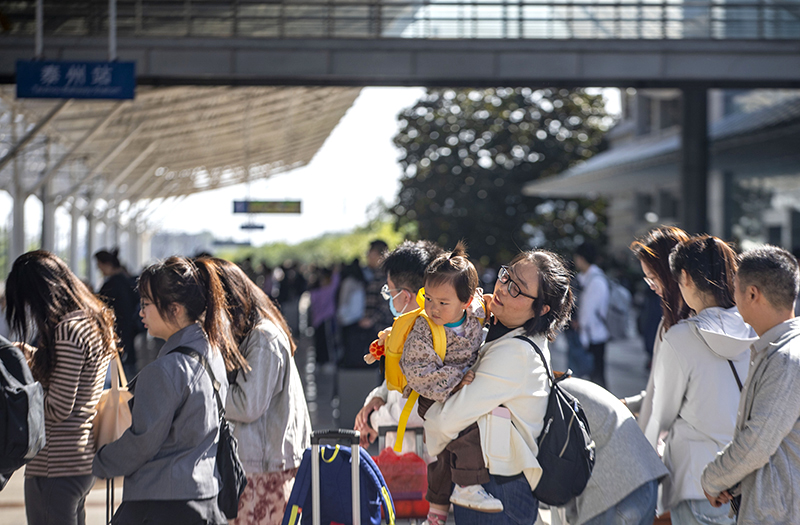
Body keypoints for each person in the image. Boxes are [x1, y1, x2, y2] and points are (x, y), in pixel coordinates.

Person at [423, 249, 575, 525]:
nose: (503, 288)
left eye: (517, 289)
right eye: (506, 277)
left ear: (541, 309)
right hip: (495, 487)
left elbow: (446, 422)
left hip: (498, 490)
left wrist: (428, 431)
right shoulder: (509, 336)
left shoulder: (517, 354)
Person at [93, 256, 241, 524]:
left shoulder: (164, 370)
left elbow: (141, 444)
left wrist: (97, 461)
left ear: (174, 309)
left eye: (146, 304)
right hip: (205, 497)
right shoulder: (212, 352)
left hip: (161, 504)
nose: (141, 313)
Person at [644, 236, 757, 525]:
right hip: (745, 479)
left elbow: (662, 415)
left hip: (696, 480)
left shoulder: (680, 338)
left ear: (684, 277)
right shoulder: (755, 328)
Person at [4, 250, 117, 525]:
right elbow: (74, 378)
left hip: (54, 465)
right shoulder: (93, 320)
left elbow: (58, 406)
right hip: (78, 460)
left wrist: (16, 400)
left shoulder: (67, 329)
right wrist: (31, 356)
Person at [393, 242, 495, 520]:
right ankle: (467, 485)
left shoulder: (477, 313)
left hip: (462, 388)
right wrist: (457, 378)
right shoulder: (423, 329)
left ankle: (436, 511)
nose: (433, 309)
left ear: (467, 301)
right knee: (464, 432)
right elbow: (416, 370)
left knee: (445, 457)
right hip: (433, 392)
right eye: (429, 299)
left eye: (443, 303)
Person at [701, 246, 800, 524]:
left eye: (735, 289)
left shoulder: (786, 358)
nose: (734, 298)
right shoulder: (780, 349)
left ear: (752, 293)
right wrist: (731, 483)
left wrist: (713, 478)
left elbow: (757, 441)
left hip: (779, 513)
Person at [210, 258, 312, 525]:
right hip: (260, 465)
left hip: (265, 470)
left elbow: (247, 405)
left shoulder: (263, 338)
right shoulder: (254, 333)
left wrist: (207, 389)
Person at [354, 240, 444, 448]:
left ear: (405, 297)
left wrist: (372, 420)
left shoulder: (427, 340)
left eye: (389, 292)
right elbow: (395, 384)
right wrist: (377, 397)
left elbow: (412, 411)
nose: (389, 300)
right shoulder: (409, 331)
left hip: (424, 462)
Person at [555, 377, 668, 525]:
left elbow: (558, 480)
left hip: (614, 495)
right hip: (646, 483)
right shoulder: (568, 388)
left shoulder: (552, 402)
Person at [625, 226, 692, 430]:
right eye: (647, 279)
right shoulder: (670, 320)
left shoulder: (691, 328)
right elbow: (660, 388)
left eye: (653, 278)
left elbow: (673, 395)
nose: (651, 286)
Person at [95, 248, 140, 377]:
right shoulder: (128, 281)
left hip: (116, 333)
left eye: (100, 266)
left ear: (107, 265)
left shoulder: (111, 286)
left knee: (118, 373)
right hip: (130, 331)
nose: (100, 270)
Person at [573, 243, 611, 387]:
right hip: (593, 333)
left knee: (597, 377)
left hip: (594, 334)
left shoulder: (595, 280)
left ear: (582, 258)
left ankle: (604, 407)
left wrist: (580, 326)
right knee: (594, 375)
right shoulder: (590, 278)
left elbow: (588, 311)